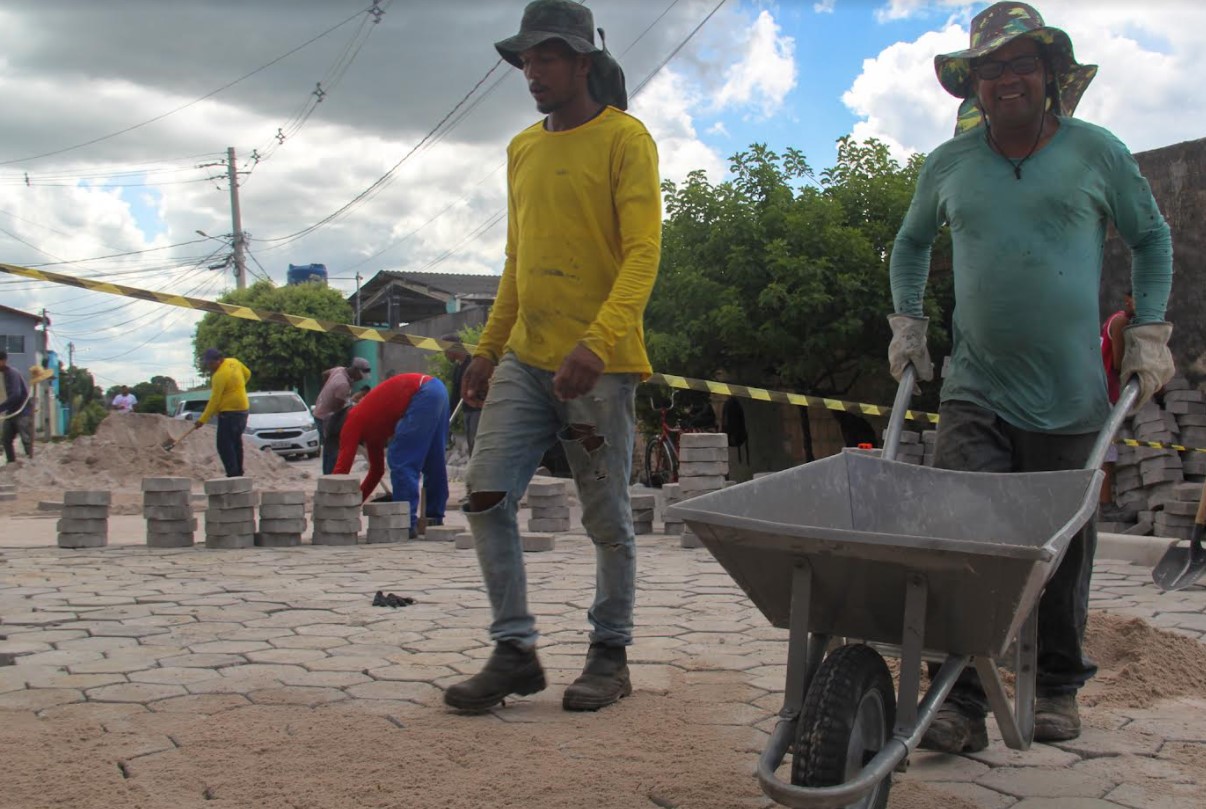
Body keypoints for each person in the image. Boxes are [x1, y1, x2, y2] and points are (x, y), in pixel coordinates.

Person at [888, 2, 1174, 751]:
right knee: (964, 541)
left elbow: (1152, 238)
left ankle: (1053, 685)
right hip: (974, 387)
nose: (1006, 80)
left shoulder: (1096, 153)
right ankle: (960, 700)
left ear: (1050, 75)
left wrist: (1149, 329)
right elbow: (910, 243)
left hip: (1074, 392)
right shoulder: (949, 165)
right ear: (973, 87)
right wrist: (908, 322)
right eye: (990, 70)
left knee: (1062, 550)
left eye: (1021, 65)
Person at [442, 0, 660, 714]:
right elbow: (517, 260)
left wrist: (597, 343)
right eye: (526, 60)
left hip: (601, 365)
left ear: (583, 63)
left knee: (606, 516)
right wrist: (487, 348)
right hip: (527, 361)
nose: (533, 72)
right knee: (483, 492)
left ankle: (610, 653)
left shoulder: (626, 140)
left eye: (547, 58)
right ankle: (514, 649)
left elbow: (642, 255)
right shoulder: (522, 149)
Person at [332, 372, 449, 537]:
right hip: (437, 389)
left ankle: (405, 523)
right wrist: (354, 504)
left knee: (401, 458)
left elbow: (342, 470)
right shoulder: (371, 429)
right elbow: (377, 471)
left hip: (422, 392)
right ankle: (434, 518)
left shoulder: (352, 421)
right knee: (433, 459)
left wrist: (332, 505)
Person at [1099, 290, 1137, 521]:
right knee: (1107, 454)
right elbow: (1119, 363)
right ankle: (1106, 506)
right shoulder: (1121, 320)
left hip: (1101, 392)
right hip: (1104, 394)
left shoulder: (1115, 319)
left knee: (1105, 451)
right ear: (1127, 300)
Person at [183, 348, 252, 477]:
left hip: (230, 413)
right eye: (207, 363)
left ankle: (233, 474)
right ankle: (238, 472)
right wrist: (238, 387)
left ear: (219, 360)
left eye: (211, 363)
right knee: (236, 441)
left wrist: (202, 419)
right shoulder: (234, 362)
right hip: (243, 409)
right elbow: (247, 374)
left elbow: (214, 400)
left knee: (224, 445)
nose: (209, 366)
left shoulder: (219, 376)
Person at [314, 356, 371, 475]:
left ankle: (327, 477)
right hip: (327, 419)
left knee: (329, 450)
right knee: (333, 450)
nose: (360, 379)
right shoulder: (342, 385)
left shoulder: (339, 370)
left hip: (321, 413)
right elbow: (339, 409)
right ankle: (331, 479)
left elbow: (324, 374)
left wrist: (326, 390)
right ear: (355, 370)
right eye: (360, 375)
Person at [443, 334, 482, 455]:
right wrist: (447, 416)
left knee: (476, 441)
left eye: (446, 350)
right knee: (471, 441)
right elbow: (455, 394)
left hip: (477, 409)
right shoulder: (457, 368)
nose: (445, 354)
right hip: (466, 410)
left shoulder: (472, 364)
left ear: (454, 349)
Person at [0, 351, 34, 464]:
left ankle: (32, 463)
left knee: (26, 439)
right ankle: (11, 463)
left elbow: (16, 395)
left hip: (22, 411)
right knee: (6, 439)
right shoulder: (3, 375)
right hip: (10, 412)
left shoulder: (12, 373)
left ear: (3, 361)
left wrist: (1, 408)